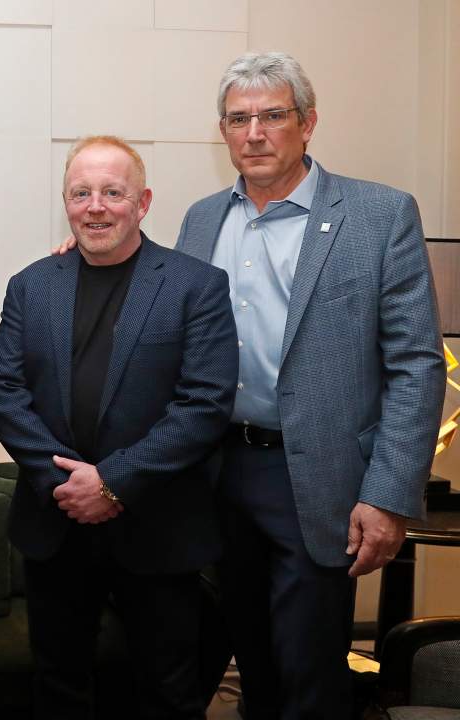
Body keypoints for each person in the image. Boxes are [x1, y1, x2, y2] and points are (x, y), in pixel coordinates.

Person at [176, 51, 445, 718]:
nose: (255, 133)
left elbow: (417, 362)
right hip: (217, 475)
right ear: (223, 131)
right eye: (239, 119)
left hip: (317, 480)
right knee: (249, 671)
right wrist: (89, 258)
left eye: (273, 115)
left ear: (308, 123)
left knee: (309, 675)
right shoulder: (201, 220)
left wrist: (387, 495)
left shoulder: (379, 216)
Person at [0, 136, 238, 719]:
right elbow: (2, 389)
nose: (95, 206)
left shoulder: (196, 285)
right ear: (67, 204)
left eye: (112, 193)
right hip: (55, 523)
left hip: (158, 524)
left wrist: (113, 482)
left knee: (167, 692)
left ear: (142, 203)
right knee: (58, 685)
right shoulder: (32, 284)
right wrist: (64, 481)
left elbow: (204, 404)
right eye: (81, 193)